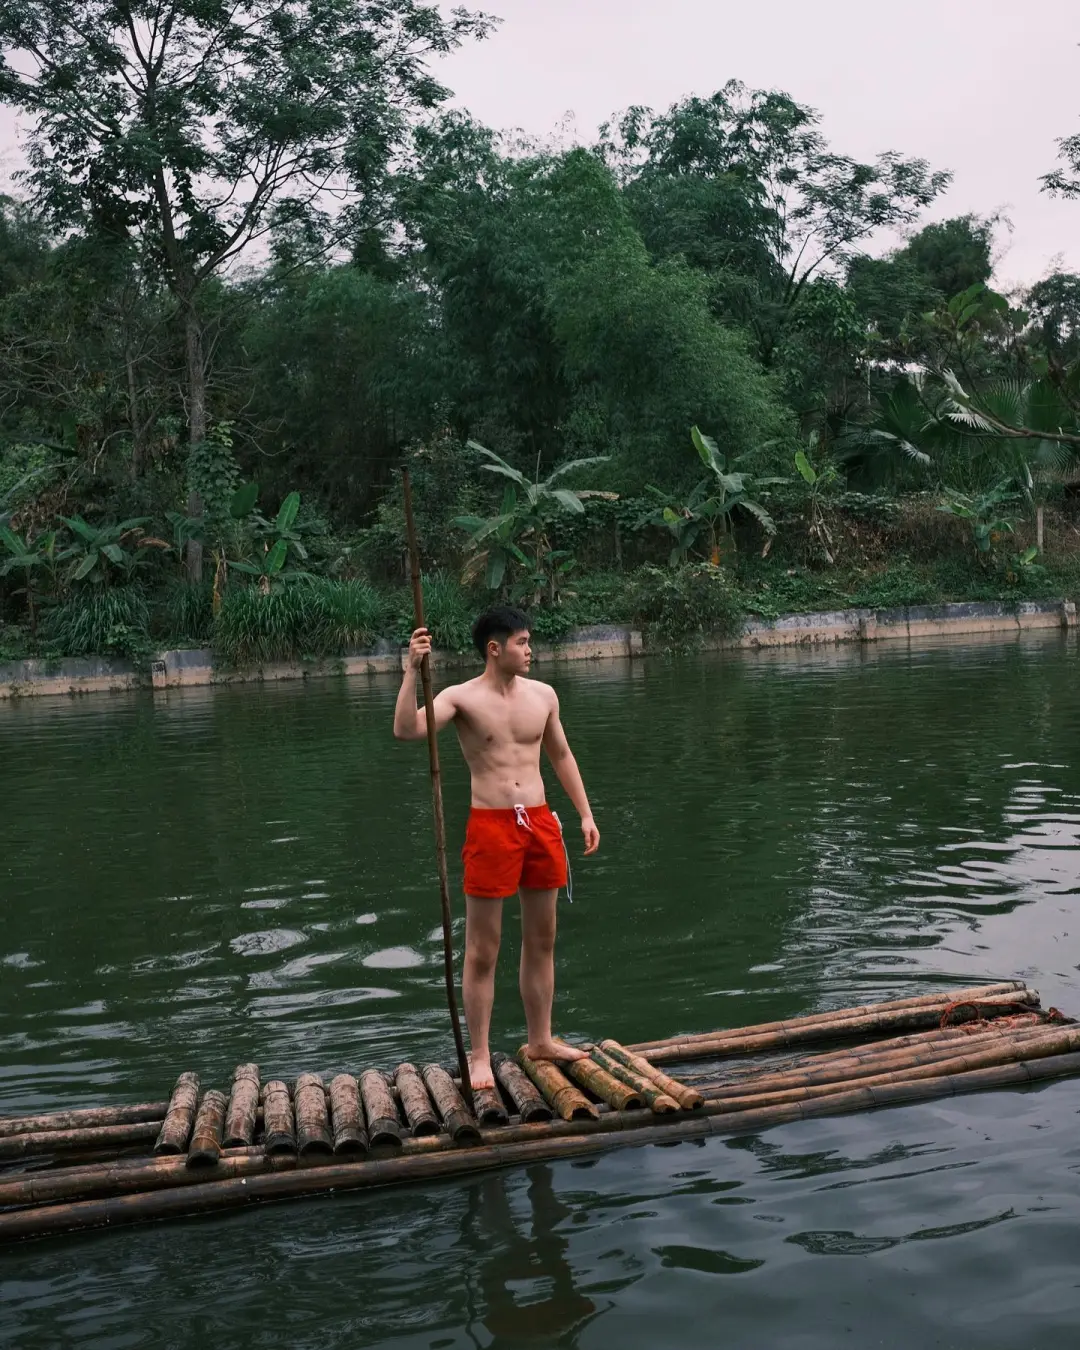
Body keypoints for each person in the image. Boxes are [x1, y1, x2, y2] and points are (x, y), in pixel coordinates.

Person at [393, 605, 599, 1090]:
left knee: (542, 940)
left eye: (529, 642)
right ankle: (481, 1054)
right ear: (495, 648)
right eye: (522, 643)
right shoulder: (461, 698)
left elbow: (561, 754)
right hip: (490, 827)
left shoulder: (544, 695)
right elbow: (407, 730)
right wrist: (409, 673)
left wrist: (585, 813)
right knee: (483, 950)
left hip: (541, 822)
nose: (530, 651)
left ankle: (541, 1038)